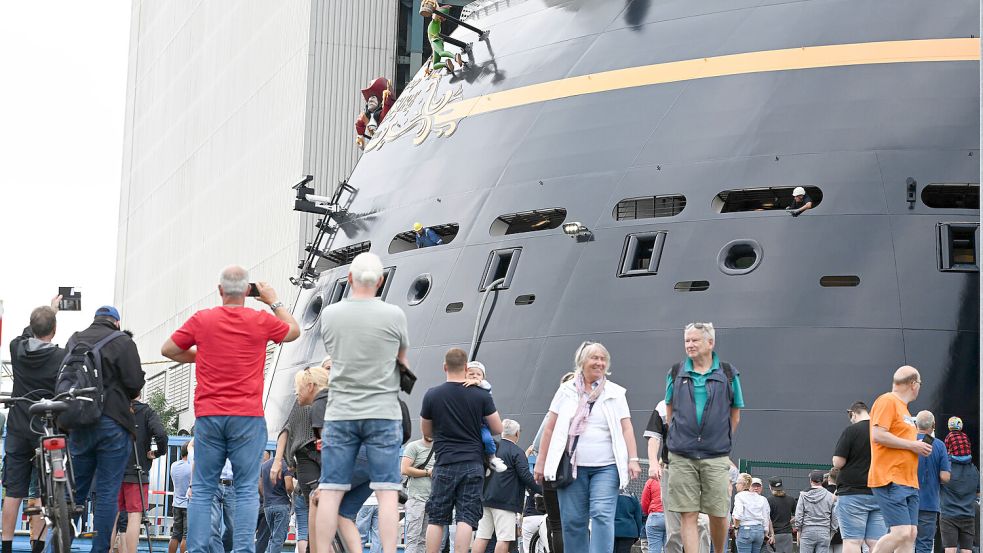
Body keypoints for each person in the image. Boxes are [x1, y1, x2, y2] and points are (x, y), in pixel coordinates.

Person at [162, 266, 300, 553]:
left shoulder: (203, 319)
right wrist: (273, 301)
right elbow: (294, 331)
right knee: (247, 489)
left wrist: (201, 356)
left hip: (210, 417)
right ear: (248, 292)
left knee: (202, 489)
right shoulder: (260, 320)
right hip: (247, 418)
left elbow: (169, 349)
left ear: (220, 290)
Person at [314, 252, 408, 553]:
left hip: (342, 412)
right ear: (380, 281)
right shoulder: (395, 315)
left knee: (329, 491)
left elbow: (336, 353)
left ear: (349, 279)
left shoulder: (330, 315)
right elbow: (401, 364)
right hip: (382, 411)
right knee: (387, 493)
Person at [534, 342, 643, 553]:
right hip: (572, 468)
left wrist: (633, 458)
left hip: (606, 466)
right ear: (582, 361)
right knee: (573, 521)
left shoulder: (615, 393)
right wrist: (541, 463)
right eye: (595, 358)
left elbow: (626, 427)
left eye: (603, 359)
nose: (600, 362)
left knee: (602, 514)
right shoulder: (565, 391)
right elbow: (550, 428)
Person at [68, 306, 146, 553]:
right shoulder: (123, 341)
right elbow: (134, 386)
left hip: (79, 422)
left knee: (74, 492)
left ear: (95, 320)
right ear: (117, 322)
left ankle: (58, 546)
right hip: (113, 422)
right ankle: (99, 550)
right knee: (107, 493)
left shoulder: (75, 338)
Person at [663, 322, 744, 553]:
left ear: (711, 342)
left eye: (695, 340)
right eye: (687, 340)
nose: (689, 345)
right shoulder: (676, 372)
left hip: (715, 454)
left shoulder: (728, 373)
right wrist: (679, 435)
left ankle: (719, 551)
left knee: (718, 511)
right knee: (687, 513)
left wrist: (719, 439)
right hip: (682, 453)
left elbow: (735, 414)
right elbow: (669, 409)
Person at [421, 348, 504, 553]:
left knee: (437, 517)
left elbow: (427, 432)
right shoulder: (480, 395)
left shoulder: (432, 394)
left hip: (445, 462)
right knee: (466, 516)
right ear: (466, 368)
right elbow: (498, 428)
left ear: (444, 367)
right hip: (472, 464)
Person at [2, 298, 64, 553]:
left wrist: (49, 310)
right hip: (45, 428)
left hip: (18, 424)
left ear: (31, 326)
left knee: (13, 490)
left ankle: (6, 546)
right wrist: (54, 312)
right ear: (55, 330)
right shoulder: (60, 356)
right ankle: (37, 546)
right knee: (42, 489)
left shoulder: (17, 349)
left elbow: (26, 334)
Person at [868, 366, 933, 553]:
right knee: (902, 532)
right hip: (891, 478)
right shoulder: (887, 401)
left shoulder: (903, 410)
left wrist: (917, 447)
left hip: (908, 481)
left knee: (911, 534)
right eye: (919, 383)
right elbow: (878, 435)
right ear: (913, 384)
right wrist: (914, 445)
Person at [270, 363, 331, 553]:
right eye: (327, 366)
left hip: (329, 457)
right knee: (314, 502)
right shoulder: (301, 402)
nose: (330, 370)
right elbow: (286, 429)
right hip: (305, 456)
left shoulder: (337, 400)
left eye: (332, 367)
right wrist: (277, 460)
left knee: (332, 510)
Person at [645, 401, 710, 553]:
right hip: (671, 470)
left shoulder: (707, 404)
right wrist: (653, 463)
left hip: (698, 471)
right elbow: (653, 438)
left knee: (703, 523)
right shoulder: (663, 405)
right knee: (674, 531)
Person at [473, 419, 542, 553]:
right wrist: (542, 490)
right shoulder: (517, 452)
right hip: (505, 502)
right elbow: (526, 476)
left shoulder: (491, 449)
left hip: (485, 499)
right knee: (503, 539)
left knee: (482, 536)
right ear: (517, 434)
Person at [529, 372, 577, 553]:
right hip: (577, 470)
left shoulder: (554, 412)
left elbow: (538, 442)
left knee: (557, 525)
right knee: (576, 523)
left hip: (554, 470)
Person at [831, 401, 887, 553]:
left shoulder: (851, 431)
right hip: (879, 492)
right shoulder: (882, 432)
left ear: (854, 413)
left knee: (853, 541)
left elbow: (838, 462)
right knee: (877, 542)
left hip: (852, 493)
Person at [118, 396, 169, 553]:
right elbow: (161, 434)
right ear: (139, 393)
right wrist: (158, 452)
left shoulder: (113, 408)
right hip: (136, 472)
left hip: (113, 470)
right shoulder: (147, 412)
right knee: (134, 516)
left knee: (112, 515)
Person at [914, 411, 951, 553]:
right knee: (924, 544)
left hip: (905, 501)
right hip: (928, 504)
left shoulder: (907, 443)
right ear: (933, 425)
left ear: (916, 424)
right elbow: (944, 477)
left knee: (902, 541)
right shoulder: (940, 446)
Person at [465, 361, 507, 472]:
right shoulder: (461, 386)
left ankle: (492, 458)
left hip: (480, 424)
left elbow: (487, 386)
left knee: (488, 440)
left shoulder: (484, 387)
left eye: (478, 374)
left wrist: (477, 382)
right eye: (471, 373)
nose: (475, 376)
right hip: (464, 424)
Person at [940, 434, 979, 553]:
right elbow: (978, 493)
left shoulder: (946, 468)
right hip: (968, 515)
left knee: (950, 549)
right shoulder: (974, 469)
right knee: (967, 550)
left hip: (948, 515)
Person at [401, 436, 436, 553]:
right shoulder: (413, 446)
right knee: (412, 538)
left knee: (424, 540)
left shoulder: (440, 448)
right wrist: (427, 472)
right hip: (416, 499)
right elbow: (404, 469)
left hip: (432, 500)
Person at [794, 471, 838, 553]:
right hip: (824, 531)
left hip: (807, 531)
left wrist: (798, 531)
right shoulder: (831, 496)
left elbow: (799, 515)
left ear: (810, 480)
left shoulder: (803, 495)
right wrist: (832, 533)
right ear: (822, 481)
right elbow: (835, 517)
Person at [260, 455, 294, 553]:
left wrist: (267, 496)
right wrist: (290, 493)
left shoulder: (264, 465)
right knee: (278, 539)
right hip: (281, 504)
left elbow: (260, 485)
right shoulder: (285, 465)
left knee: (273, 537)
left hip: (267, 505)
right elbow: (289, 487)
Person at [732, 476, 772, 553]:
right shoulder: (762, 499)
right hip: (759, 531)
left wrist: (736, 528)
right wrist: (766, 531)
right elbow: (766, 517)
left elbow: (738, 515)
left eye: (737, 483)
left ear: (743, 484)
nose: (736, 485)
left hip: (745, 529)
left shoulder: (739, 496)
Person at [421, 1, 463, 74]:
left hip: (435, 41)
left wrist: (437, 8)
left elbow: (435, 15)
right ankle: (446, 64)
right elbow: (436, 15)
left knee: (441, 53)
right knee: (435, 65)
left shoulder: (435, 22)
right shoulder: (436, 23)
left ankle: (455, 57)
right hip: (434, 43)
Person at [355, 77, 396, 149]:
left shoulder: (382, 112)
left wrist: (387, 97)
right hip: (377, 139)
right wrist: (360, 137)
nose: (370, 100)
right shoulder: (365, 116)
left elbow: (387, 107)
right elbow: (359, 124)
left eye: (373, 97)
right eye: (369, 98)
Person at [170, 445, 192, 553]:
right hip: (188, 505)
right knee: (186, 536)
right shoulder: (191, 466)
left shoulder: (174, 465)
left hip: (176, 504)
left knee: (175, 535)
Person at [766, 478, 795, 553]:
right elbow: (798, 515)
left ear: (770, 487)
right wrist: (789, 522)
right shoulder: (791, 499)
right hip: (787, 534)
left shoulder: (768, 500)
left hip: (774, 534)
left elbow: (766, 518)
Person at [642, 476, 667, 553]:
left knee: (653, 549)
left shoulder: (651, 481)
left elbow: (644, 502)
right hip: (671, 517)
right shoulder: (676, 478)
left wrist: (648, 512)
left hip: (655, 516)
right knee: (671, 548)